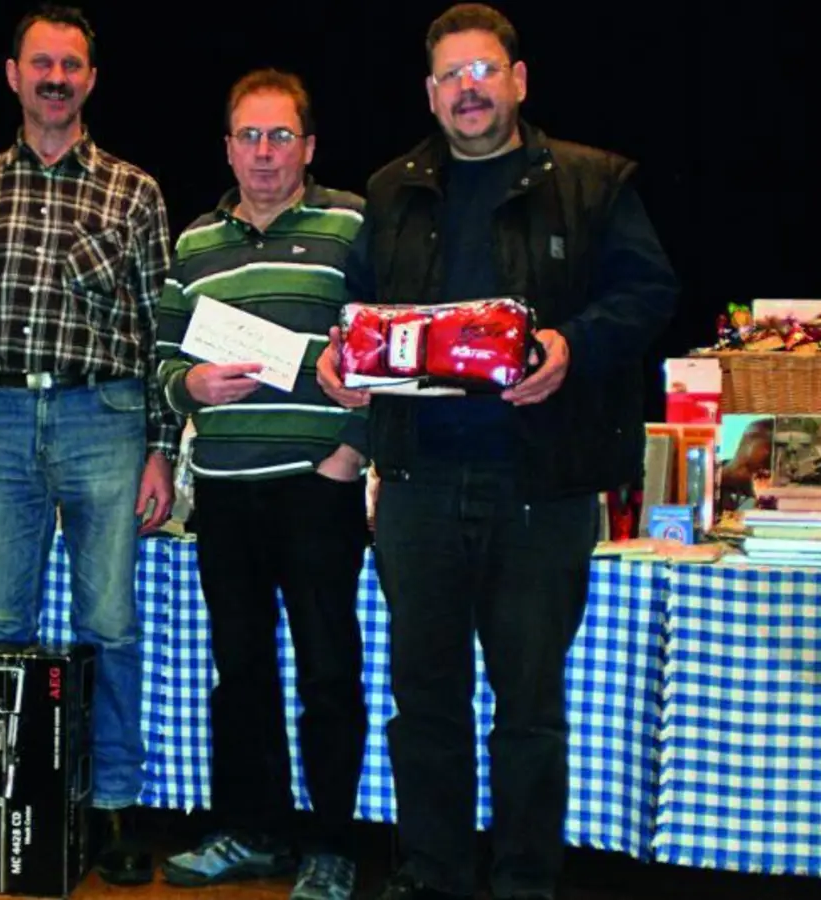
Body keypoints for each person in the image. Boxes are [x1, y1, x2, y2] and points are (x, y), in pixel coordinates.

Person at [316, 5, 680, 899]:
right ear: (430, 94)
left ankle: (525, 883)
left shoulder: (595, 182)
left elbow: (649, 293)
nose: (468, 89)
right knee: (424, 709)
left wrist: (571, 346)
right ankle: (431, 877)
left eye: (484, 71)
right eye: (450, 76)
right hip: (416, 486)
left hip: (540, 488)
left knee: (528, 713)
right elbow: (359, 311)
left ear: (519, 80)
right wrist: (340, 359)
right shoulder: (392, 187)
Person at [0, 4, 175, 886]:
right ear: (12, 73)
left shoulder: (135, 191)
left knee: (110, 622)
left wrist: (162, 446)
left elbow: (164, 332)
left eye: (73, 64)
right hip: (2, 422)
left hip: (108, 420)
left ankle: (115, 805)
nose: (56, 77)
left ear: (92, 79)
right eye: (41, 62)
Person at [155, 69, 370, 900]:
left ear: (310, 147)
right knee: (239, 671)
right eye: (250, 135)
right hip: (225, 491)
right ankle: (256, 831)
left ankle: (333, 844)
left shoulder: (354, 225)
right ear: (227, 148)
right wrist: (189, 389)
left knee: (327, 671)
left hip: (318, 486)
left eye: (282, 136)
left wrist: (347, 452)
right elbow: (162, 357)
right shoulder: (195, 244)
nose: (266, 153)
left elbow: (388, 347)